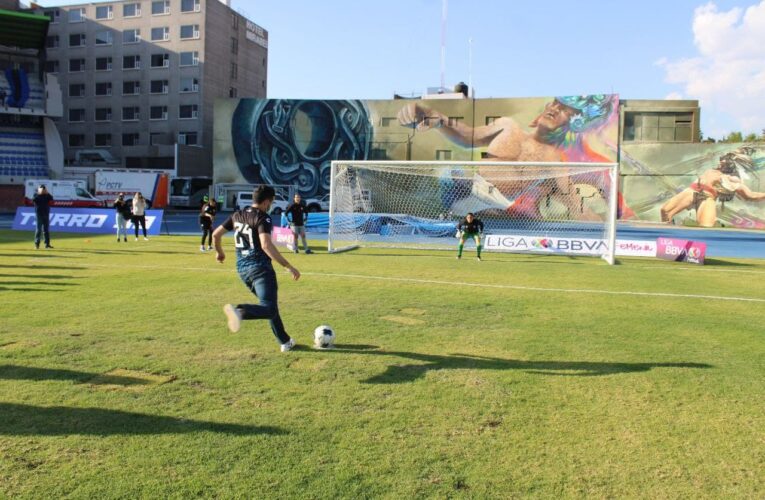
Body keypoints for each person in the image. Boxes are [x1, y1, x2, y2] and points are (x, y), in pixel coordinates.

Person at [397, 95, 632, 220]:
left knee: (497, 214)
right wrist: (438, 118)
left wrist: (608, 233)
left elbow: (572, 200)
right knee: (450, 173)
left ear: (572, 123)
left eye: (563, 110)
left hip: (499, 207)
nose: (554, 109)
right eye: (554, 104)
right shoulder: (508, 126)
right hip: (468, 188)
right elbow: (469, 136)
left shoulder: (555, 160)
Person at [213, 185, 301, 352]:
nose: (271, 205)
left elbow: (216, 234)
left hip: (242, 269)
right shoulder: (263, 218)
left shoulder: (237, 215)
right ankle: (240, 312)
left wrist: (220, 253)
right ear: (267, 201)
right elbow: (266, 245)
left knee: (268, 306)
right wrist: (288, 266)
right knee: (269, 309)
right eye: (272, 202)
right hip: (260, 269)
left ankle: (285, 341)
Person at [660, 149, 765, 227]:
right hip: (692, 191)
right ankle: (668, 234)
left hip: (707, 198)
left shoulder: (732, 178)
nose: (721, 161)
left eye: (725, 161)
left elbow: (750, 195)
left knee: (706, 227)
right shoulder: (712, 170)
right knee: (665, 211)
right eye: (722, 160)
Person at [32, 184, 53, 249]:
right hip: (39, 214)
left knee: (46, 230)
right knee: (38, 230)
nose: (43, 190)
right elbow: (34, 200)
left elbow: (51, 198)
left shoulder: (47, 195)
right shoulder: (36, 195)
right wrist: (39, 193)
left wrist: (47, 192)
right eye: (42, 189)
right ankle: (37, 244)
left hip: (46, 214)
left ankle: (47, 244)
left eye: (44, 189)